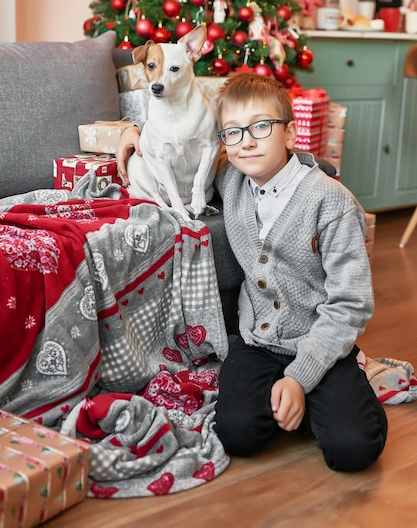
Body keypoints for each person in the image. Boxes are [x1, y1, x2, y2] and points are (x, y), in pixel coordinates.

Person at [116, 73, 388, 472]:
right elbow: (196, 145)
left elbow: (351, 304)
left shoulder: (332, 204)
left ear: (291, 133)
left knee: (353, 450)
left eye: (261, 126)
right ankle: (295, 400)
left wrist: (299, 378)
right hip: (256, 341)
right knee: (238, 435)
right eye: (233, 132)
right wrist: (132, 129)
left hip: (318, 341)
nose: (246, 140)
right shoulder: (234, 180)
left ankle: (333, 389)